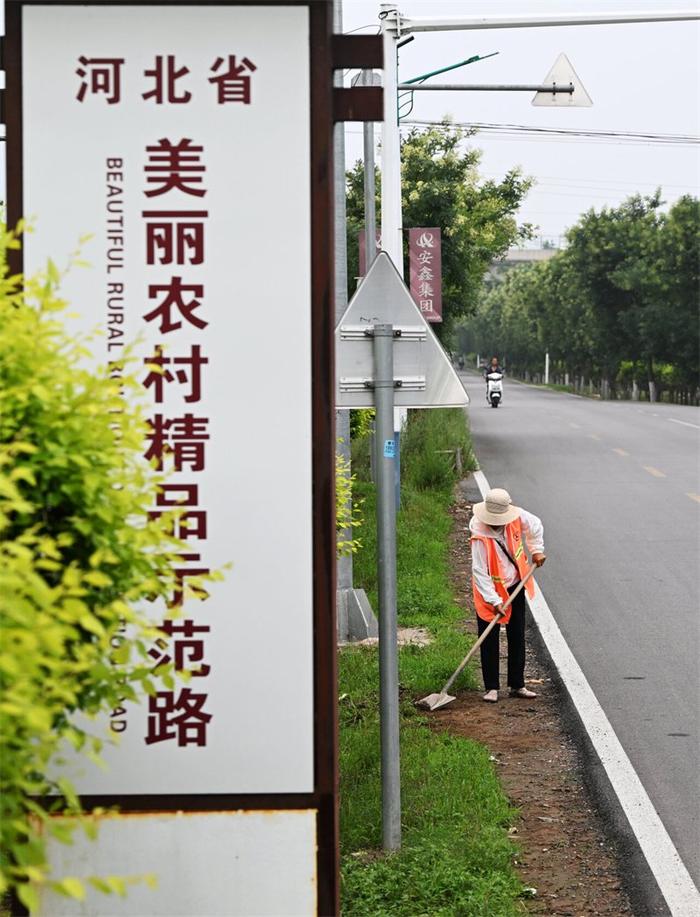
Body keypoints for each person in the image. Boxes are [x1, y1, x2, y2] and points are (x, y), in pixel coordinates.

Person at [470, 487, 546, 702]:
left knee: (516, 633)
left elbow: (536, 526)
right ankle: (491, 687)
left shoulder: (517, 517)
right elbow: (479, 572)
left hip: (514, 584)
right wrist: (494, 600)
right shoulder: (479, 535)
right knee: (489, 636)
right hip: (488, 590)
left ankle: (517, 684)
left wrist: (536, 549)